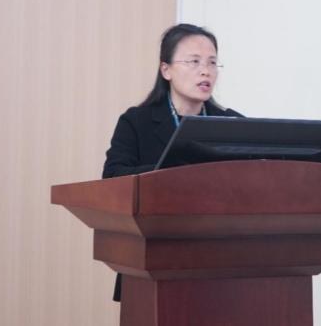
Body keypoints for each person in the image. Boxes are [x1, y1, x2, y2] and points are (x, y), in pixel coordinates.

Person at [102, 23, 243, 301]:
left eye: (212, 63)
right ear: (166, 70)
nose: (205, 71)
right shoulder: (136, 122)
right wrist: (175, 174)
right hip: (153, 258)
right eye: (194, 62)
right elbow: (114, 178)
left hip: (222, 264)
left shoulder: (233, 123)